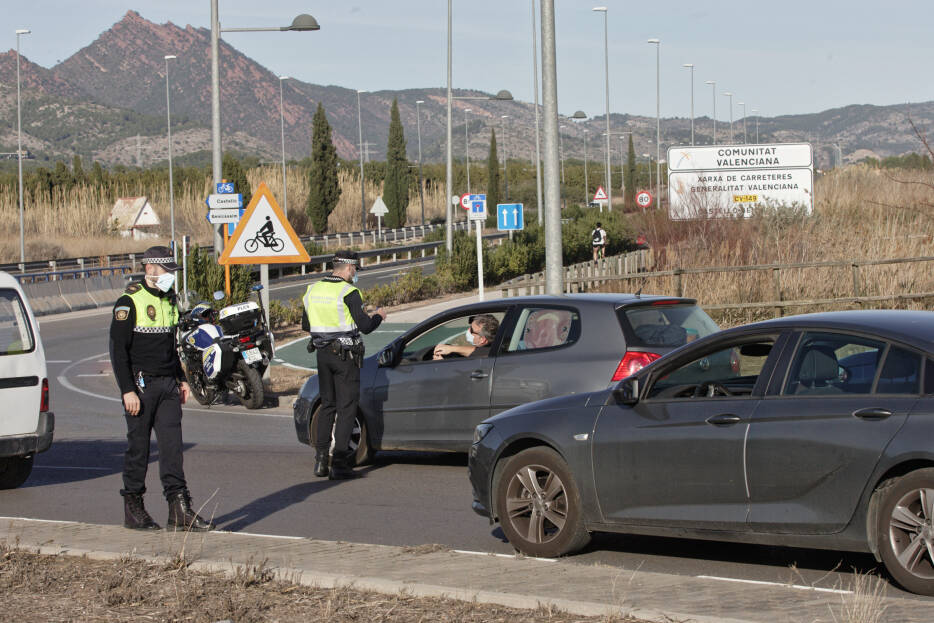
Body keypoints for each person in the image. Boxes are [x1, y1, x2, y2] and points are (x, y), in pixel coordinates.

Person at [109, 246, 215, 532]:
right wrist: (127, 390)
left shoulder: (168, 300)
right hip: (141, 387)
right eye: (167, 271)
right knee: (139, 450)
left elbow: (170, 345)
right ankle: (133, 507)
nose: (171, 277)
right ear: (150, 270)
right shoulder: (129, 301)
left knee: (172, 449)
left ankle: (178, 508)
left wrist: (181, 379)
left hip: (168, 385)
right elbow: (118, 351)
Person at [303, 250, 386, 479]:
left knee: (327, 405)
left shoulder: (313, 290)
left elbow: (305, 324)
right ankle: (339, 463)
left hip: (322, 355)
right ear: (349, 268)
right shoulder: (349, 292)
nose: (355, 274)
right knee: (347, 408)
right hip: (345, 356)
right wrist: (378, 315)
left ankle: (321, 461)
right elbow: (366, 326)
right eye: (355, 270)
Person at [433, 314, 499, 360]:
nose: (468, 330)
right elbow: (476, 351)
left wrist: (443, 364)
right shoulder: (497, 346)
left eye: (472, 330)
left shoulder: (486, 357)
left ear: (482, 340)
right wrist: (451, 348)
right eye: (470, 326)